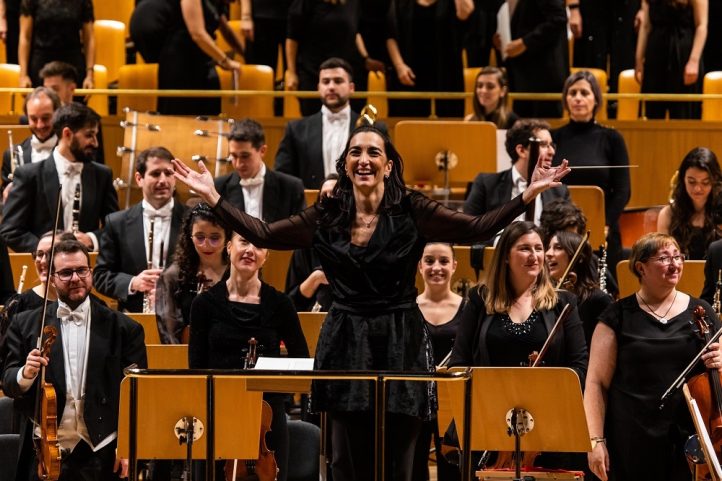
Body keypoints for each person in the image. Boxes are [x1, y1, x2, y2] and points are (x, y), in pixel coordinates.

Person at [172, 123, 570, 481]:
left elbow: (476, 226)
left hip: (400, 340)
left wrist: (529, 194)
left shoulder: (413, 209)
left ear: (389, 164)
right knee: (347, 460)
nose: (364, 159)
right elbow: (264, 233)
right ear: (345, 165)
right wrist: (213, 195)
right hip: (346, 341)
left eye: (373, 152)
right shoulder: (326, 215)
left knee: (399, 461)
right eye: (356, 152)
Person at [1, 239, 147, 481]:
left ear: (90, 272)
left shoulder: (125, 328)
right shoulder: (25, 323)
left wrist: (129, 447)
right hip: (43, 451)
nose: (76, 278)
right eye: (66, 273)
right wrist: (25, 374)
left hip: (102, 450)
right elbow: (8, 382)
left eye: (82, 270)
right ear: (52, 277)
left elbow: (137, 395)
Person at [448, 221, 587, 470]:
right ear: (505, 257)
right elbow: (459, 363)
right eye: (524, 249)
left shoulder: (564, 302)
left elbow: (580, 367)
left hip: (549, 426)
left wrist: (550, 378)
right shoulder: (480, 299)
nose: (534, 256)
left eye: (538, 248)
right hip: (488, 423)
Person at [585, 232, 722, 481]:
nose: (675, 264)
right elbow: (595, 384)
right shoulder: (616, 316)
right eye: (664, 258)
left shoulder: (702, 312)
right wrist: (595, 441)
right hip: (630, 441)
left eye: (678, 256)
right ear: (641, 267)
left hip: (689, 442)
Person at [189, 232, 309, 481]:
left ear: (266, 257)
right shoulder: (204, 305)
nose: (250, 250)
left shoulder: (281, 304)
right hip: (218, 412)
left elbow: (301, 357)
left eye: (259, 245)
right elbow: (196, 369)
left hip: (269, 418)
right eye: (244, 242)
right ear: (229, 247)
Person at [0, 102, 116, 253]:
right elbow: (10, 231)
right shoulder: (29, 175)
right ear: (67, 134)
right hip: (41, 271)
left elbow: (114, 228)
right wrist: (46, 249)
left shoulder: (102, 175)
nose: (95, 143)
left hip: (86, 270)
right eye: (89, 135)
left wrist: (92, 238)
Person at [552, 70, 631, 276]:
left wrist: (604, 224)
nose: (578, 98)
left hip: (603, 230)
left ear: (596, 99)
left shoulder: (612, 138)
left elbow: (623, 191)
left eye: (585, 93)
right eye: (573, 93)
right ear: (566, 99)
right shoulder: (553, 138)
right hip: (558, 234)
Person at [93, 147, 186, 313]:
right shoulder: (116, 222)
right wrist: (133, 283)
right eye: (156, 174)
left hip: (180, 317)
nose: (163, 180)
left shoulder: (192, 219)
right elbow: (100, 276)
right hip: (134, 319)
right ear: (139, 178)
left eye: (169, 173)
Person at [275, 57, 377, 189]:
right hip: (312, 206)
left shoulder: (372, 128)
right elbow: (282, 177)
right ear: (318, 87)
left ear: (351, 88)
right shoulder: (295, 129)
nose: (331, 87)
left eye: (338, 81)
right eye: (326, 82)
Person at [413, 242, 465, 481]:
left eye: (444, 261)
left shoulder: (468, 308)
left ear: (454, 266)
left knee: (452, 469)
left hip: (452, 400)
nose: (436, 267)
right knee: (413, 466)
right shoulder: (408, 309)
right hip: (415, 398)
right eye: (429, 261)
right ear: (419, 266)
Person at [143, 0, 242, 115]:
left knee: (209, 118)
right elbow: (198, 34)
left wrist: (246, 55)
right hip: (181, 63)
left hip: (203, 62)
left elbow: (227, 31)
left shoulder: (217, 3)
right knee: (177, 118)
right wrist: (225, 61)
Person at [464, 119, 570, 227]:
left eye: (552, 145)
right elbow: (468, 229)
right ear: (522, 150)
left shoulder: (559, 191)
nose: (552, 151)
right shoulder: (486, 184)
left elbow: (564, 236)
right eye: (543, 145)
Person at [156, 202, 231, 344]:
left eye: (215, 238)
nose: (206, 245)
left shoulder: (238, 273)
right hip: (186, 360)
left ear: (227, 238)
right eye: (200, 237)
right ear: (190, 237)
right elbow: (169, 335)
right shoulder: (173, 276)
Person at [385, 0, 474, 118]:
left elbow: (466, 11)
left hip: (445, 78)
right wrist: (399, 66)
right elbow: (391, 35)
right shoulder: (400, 3)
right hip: (408, 76)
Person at [215, 118, 305, 221]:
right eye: (234, 156)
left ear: (262, 151)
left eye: (245, 156)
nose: (239, 164)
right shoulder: (218, 188)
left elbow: (301, 233)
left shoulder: (291, 188)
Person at [285, 0, 362, 116]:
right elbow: (292, 37)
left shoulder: (353, 3)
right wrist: (291, 72)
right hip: (312, 75)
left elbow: (355, 32)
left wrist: (366, 58)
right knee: (314, 125)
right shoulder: (305, 3)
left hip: (345, 75)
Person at [635, 0, 708, 119]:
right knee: (653, 114)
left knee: (684, 115)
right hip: (656, 54)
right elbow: (646, 26)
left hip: (684, 55)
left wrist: (694, 61)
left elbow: (701, 26)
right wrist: (638, 59)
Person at [546, 230, 613, 346]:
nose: (548, 253)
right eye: (549, 247)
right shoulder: (547, 298)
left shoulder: (599, 300)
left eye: (558, 247)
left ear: (579, 258)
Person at [502, 0, 568, 118]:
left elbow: (559, 19)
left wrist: (526, 42)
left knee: (545, 130)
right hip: (524, 74)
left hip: (544, 75)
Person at [657, 146, 722, 260]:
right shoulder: (668, 215)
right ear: (683, 179)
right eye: (691, 182)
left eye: (705, 182)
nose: (697, 188)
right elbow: (664, 260)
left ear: (714, 181)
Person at [284, 174, 337, 312]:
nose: (330, 199)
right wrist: (316, 278)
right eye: (325, 195)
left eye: (337, 194)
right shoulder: (305, 243)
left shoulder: (364, 241)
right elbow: (290, 302)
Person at [1, 86, 61, 201]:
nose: (40, 125)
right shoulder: (11, 154)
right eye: (33, 119)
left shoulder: (70, 152)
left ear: (57, 114)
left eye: (46, 118)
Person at [18, 0, 95, 88]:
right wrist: (23, 75)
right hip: (41, 63)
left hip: (73, 64)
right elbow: (25, 37)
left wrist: (90, 75)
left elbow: (89, 39)